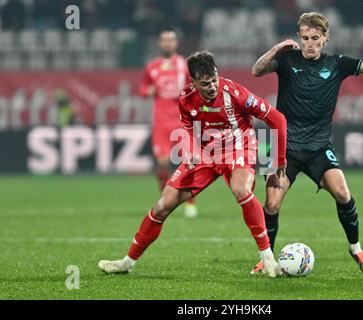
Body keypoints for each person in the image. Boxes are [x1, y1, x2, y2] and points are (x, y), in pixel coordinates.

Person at [250, 12, 363, 275]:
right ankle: (267, 258)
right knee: (271, 204)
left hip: (318, 147)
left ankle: (357, 249)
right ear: (299, 38)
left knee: (342, 193)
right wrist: (277, 48)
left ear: (325, 38)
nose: (309, 43)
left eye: (315, 38)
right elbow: (257, 70)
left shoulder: (338, 64)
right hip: (282, 146)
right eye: (304, 38)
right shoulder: (285, 60)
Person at [98, 50, 287, 277]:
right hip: (206, 155)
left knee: (241, 189)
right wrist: (192, 152)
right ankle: (126, 263)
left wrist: (279, 160)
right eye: (205, 83)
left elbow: (277, 118)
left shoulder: (235, 93)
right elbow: (188, 128)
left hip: (239, 148)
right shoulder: (186, 98)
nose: (212, 87)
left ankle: (267, 258)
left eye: (214, 80)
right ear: (193, 82)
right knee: (161, 207)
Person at [139, 27, 198, 218]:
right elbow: (143, 89)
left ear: (175, 43)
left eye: (170, 40)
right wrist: (149, 91)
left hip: (181, 121)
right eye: (163, 40)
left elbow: (194, 88)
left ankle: (190, 202)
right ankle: (167, 200)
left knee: (188, 162)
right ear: (159, 43)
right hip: (161, 122)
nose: (167, 43)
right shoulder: (152, 66)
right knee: (163, 164)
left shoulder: (184, 64)